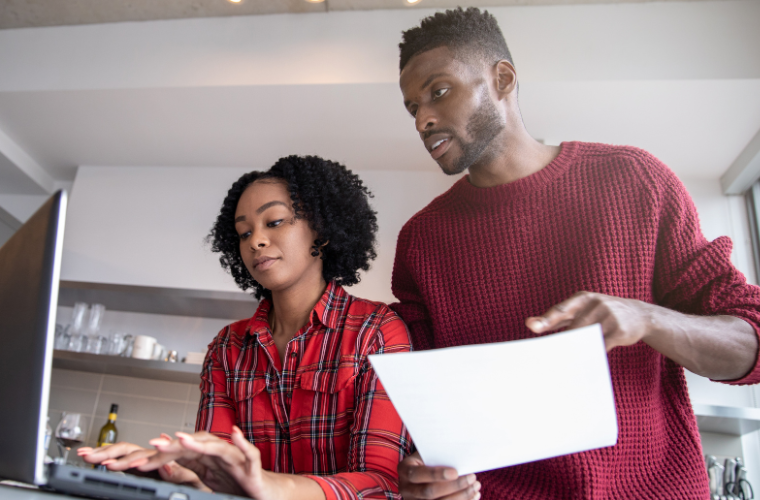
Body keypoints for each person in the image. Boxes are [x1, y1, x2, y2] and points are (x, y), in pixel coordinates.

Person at [391, 7, 760, 500]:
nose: (423, 118)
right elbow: (423, 415)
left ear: (502, 79)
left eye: (438, 91)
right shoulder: (421, 241)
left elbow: (751, 342)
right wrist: (420, 479)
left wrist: (647, 319)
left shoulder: (634, 180)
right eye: (412, 107)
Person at [80, 155, 414, 500]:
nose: (256, 241)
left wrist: (274, 486)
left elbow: (381, 483)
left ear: (322, 229)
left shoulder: (376, 332)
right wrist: (182, 473)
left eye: (275, 221)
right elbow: (217, 476)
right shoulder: (228, 347)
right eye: (244, 232)